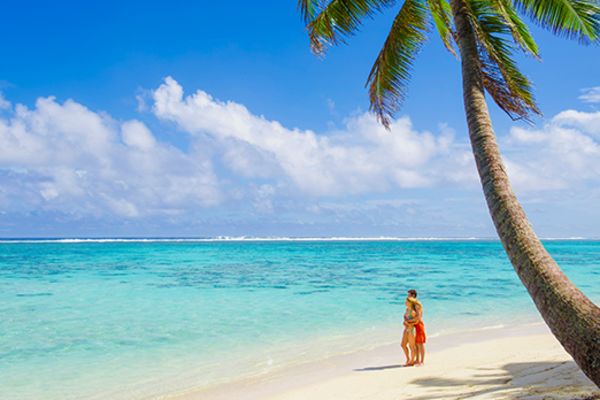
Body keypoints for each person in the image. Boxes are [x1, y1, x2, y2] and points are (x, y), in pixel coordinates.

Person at [408, 289, 426, 365]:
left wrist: (410, 322)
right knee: (415, 343)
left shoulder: (417, 305)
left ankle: (422, 361)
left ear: (413, 296)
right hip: (414, 325)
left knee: (420, 343)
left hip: (418, 324)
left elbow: (419, 317)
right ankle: (417, 359)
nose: (408, 297)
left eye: (409, 295)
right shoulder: (412, 305)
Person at [401, 297, 418, 366]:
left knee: (412, 346)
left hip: (411, 329)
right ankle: (408, 359)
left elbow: (416, 321)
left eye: (406, 301)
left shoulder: (413, 312)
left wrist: (408, 323)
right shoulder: (407, 309)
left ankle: (412, 361)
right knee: (403, 344)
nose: (405, 302)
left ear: (410, 303)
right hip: (406, 329)